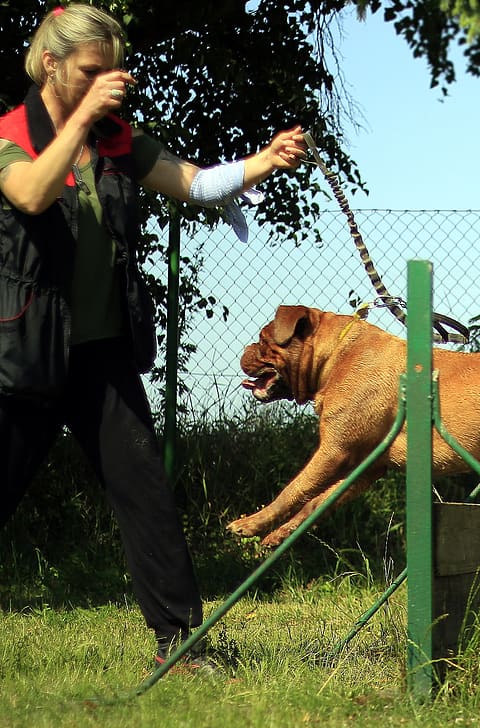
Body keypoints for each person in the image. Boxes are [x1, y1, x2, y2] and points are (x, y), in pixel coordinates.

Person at [0, 3, 307, 673]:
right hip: (23, 353)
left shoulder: (116, 141)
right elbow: (27, 192)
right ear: (51, 65)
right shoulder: (9, 136)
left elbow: (195, 183)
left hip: (102, 355)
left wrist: (265, 160)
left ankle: (182, 645)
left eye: (112, 69)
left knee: (147, 496)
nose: (107, 81)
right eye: (91, 70)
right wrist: (79, 119)